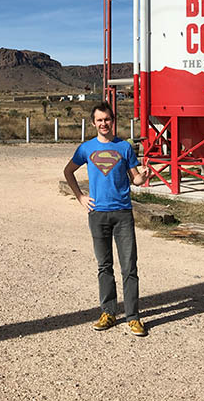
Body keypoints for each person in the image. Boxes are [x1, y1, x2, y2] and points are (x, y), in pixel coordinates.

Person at [64, 101, 150, 336]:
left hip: (122, 213)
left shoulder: (124, 148)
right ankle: (109, 312)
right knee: (104, 266)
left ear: (113, 121)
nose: (104, 123)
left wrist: (143, 177)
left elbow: (135, 179)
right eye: (99, 120)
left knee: (129, 267)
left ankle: (133, 317)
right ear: (93, 123)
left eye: (107, 119)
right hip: (98, 213)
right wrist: (80, 196)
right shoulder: (86, 148)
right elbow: (68, 171)